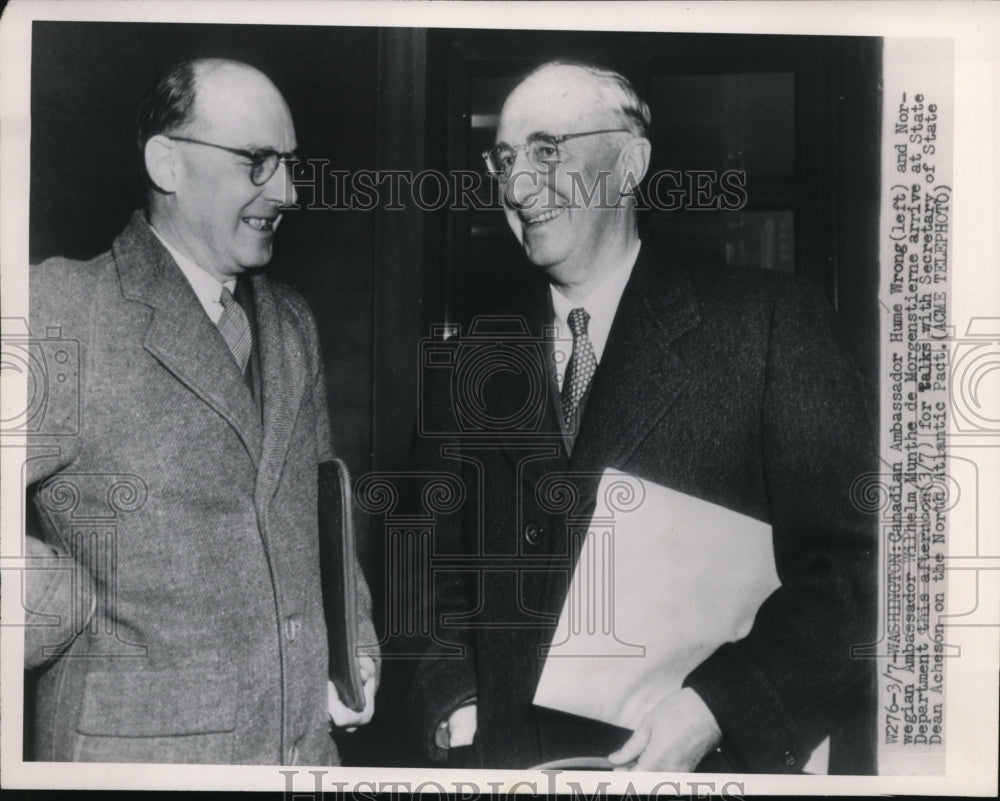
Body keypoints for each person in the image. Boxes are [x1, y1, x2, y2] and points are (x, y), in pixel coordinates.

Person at [406, 61, 876, 773]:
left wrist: (719, 707)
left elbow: (857, 570)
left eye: (546, 150)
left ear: (630, 165)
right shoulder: (469, 362)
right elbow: (428, 573)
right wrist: (456, 706)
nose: (517, 185)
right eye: (504, 158)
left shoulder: (768, 325)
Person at [24, 58, 378, 764]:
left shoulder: (290, 323)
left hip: (300, 755)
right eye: (258, 162)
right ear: (168, 163)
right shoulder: (62, 310)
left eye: (290, 165)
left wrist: (352, 643)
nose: (287, 191)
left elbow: (317, 514)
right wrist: (59, 601)